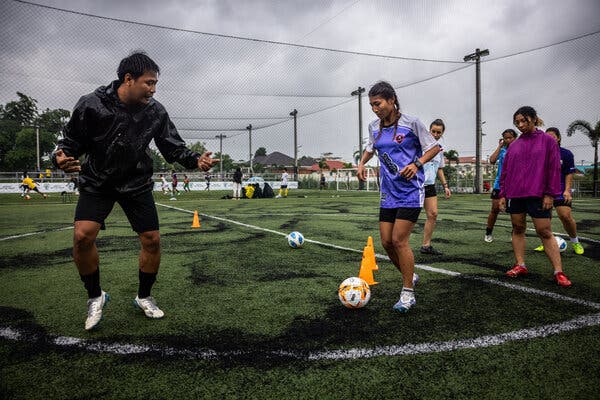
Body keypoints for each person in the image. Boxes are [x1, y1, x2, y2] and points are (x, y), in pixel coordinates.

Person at [52, 52, 219, 331]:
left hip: (136, 182)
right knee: (82, 236)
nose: (153, 89)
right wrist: (60, 157)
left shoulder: (156, 111)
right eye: (149, 83)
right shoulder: (91, 104)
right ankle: (95, 296)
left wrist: (195, 160)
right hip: (98, 181)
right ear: (128, 79)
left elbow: (172, 146)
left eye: (156, 84)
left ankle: (144, 296)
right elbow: (70, 143)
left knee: (152, 239)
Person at [357, 81, 441, 313]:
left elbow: (434, 147)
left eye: (378, 103)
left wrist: (417, 163)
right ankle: (410, 275)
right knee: (386, 241)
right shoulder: (374, 127)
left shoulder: (411, 123)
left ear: (392, 100)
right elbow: (371, 147)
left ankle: (407, 294)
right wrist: (362, 163)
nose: (375, 109)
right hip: (389, 192)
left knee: (399, 240)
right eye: (372, 105)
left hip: (411, 191)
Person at [499, 106, 571, 287]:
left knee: (544, 231)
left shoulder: (547, 141)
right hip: (515, 195)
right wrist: (503, 194)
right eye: (517, 122)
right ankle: (520, 265)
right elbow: (505, 172)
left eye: (524, 121)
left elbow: (553, 169)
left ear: (533, 119)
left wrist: (550, 194)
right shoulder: (514, 145)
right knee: (517, 228)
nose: (521, 125)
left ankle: (558, 272)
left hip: (538, 194)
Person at [532, 127, 584, 255]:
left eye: (552, 136)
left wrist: (567, 190)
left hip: (560, 189)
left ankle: (575, 241)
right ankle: (545, 243)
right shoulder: (540, 153)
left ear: (558, 138)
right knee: (544, 219)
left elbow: (569, 173)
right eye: (547, 136)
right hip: (543, 191)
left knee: (565, 216)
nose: (549, 139)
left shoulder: (566, 154)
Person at [420, 119, 451, 255]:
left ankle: (426, 246)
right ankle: (399, 245)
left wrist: (445, 186)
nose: (435, 134)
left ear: (442, 133)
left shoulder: (439, 149)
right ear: (429, 131)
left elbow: (439, 169)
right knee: (408, 217)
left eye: (439, 132)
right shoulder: (421, 146)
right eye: (433, 131)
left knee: (433, 214)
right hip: (416, 185)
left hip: (430, 186)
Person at [484, 129, 518, 242]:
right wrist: (499, 146)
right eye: (505, 138)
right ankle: (488, 233)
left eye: (510, 137)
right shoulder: (502, 150)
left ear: (515, 138)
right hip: (499, 184)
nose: (508, 140)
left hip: (514, 185)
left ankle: (515, 235)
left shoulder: (519, 149)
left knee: (514, 211)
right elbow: (492, 160)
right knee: (494, 209)